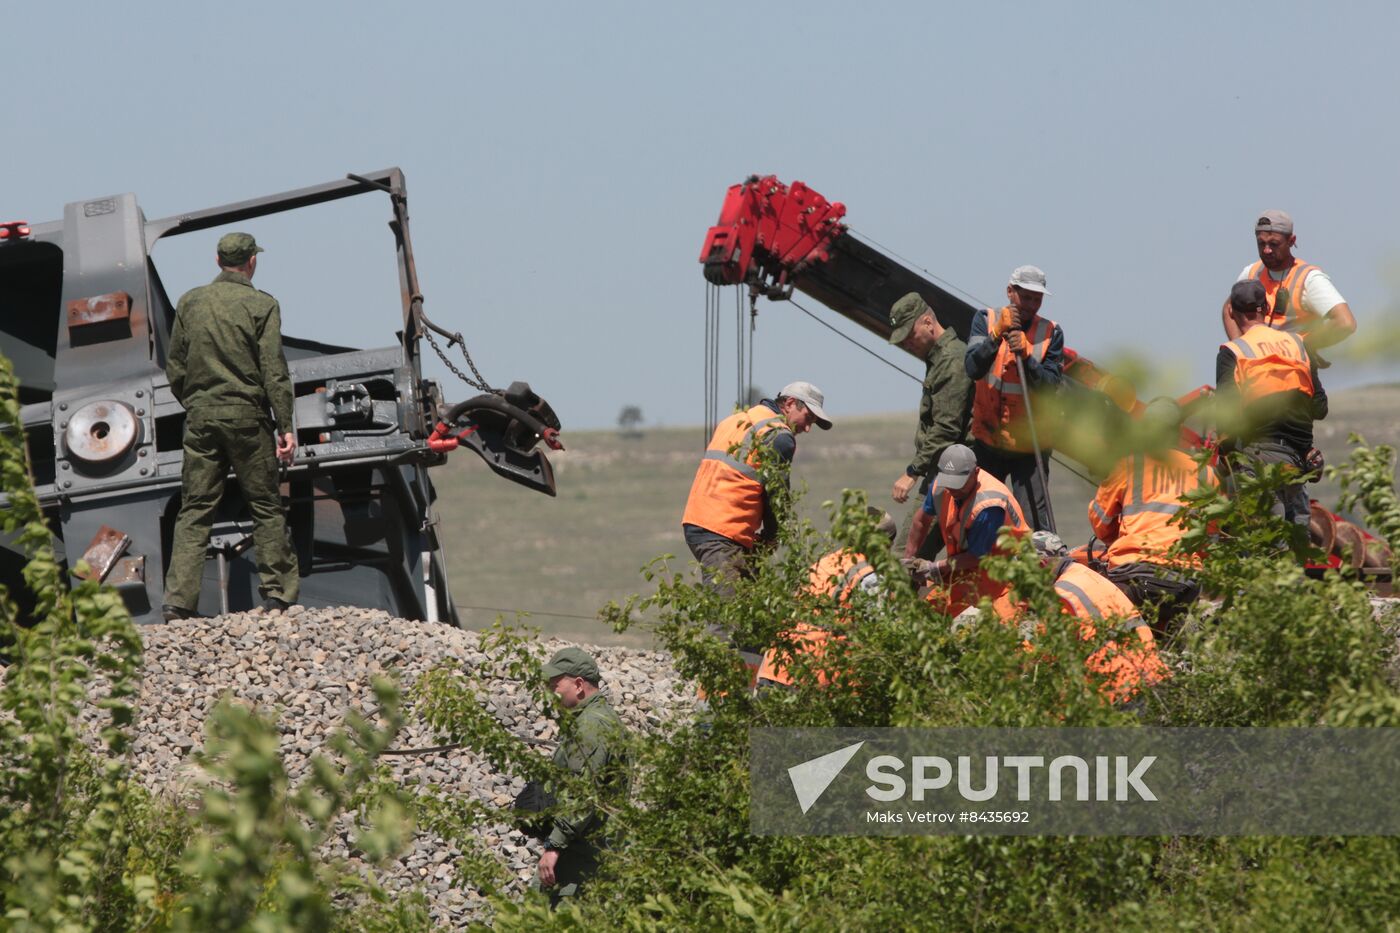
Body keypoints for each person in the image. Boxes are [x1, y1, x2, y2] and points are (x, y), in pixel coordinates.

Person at [162, 233, 298, 621]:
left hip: (202, 419)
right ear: (252, 261)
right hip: (247, 419)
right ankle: (277, 595)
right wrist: (285, 425)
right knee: (266, 506)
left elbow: (176, 367)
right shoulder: (262, 305)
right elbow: (273, 369)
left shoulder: (190, 301)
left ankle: (178, 602)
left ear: (217, 259)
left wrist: (196, 403)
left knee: (195, 508)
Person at [681, 381, 832, 593]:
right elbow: (777, 494)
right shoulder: (779, 435)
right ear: (789, 403)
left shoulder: (735, 420)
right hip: (724, 530)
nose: (807, 428)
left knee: (748, 606)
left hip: (700, 523)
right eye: (808, 418)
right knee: (728, 621)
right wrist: (772, 536)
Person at [1088, 398, 1217, 631]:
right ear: (1178, 431)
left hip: (1133, 572)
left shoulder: (1128, 466)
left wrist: (1114, 539)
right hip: (1185, 580)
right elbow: (1213, 537)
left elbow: (1100, 520)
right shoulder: (1205, 473)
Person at [1217, 279, 1328, 529]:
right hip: (1298, 461)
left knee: (1261, 547)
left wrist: (1224, 456)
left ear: (1232, 313)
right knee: (1293, 551)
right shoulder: (1299, 345)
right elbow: (1320, 408)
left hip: (1258, 460)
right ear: (1266, 308)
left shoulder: (1234, 351)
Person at [1009, 532, 1169, 704]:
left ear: (1041, 565)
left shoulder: (1063, 594)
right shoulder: (1085, 575)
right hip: (1150, 678)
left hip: (1120, 693)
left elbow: (1042, 654)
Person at [964, 265, 1064, 531]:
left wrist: (1027, 358)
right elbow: (972, 367)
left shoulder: (1051, 333)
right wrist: (997, 335)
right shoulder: (985, 320)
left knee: (1033, 522)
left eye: (1037, 298)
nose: (1032, 304)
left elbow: (1050, 385)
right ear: (1010, 292)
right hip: (988, 441)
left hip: (1029, 446)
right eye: (1026, 297)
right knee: (982, 515)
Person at [756, 508, 897, 689]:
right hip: (813, 679)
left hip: (776, 667)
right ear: (885, 544)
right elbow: (886, 635)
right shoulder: (870, 578)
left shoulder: (824, 562)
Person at [534, 647, 630, 908]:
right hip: (588, 851)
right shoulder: (597, 719)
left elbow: (583, 795)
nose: (550, 693)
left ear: (578, 685)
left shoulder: (590, 727)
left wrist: (554, 846)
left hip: (579, 857)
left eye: (555, 685)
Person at [886, 293, 974, 559]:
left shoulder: (950, 359)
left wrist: (912, 472)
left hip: (950, 472)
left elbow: (946, 427)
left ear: (927, 321)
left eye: (909, 335)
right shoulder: (939, 358)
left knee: (907, 557)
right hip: (943, 470)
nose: (907, 344)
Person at [905, 444, 1027, 616]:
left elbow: (976, 556)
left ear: (975, 472)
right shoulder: (941, 485)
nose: (954, 490)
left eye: (959, 484)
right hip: (965, 569)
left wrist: (934, 568)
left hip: (1003, 576)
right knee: (927, 614)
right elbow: (920, 521)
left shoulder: (989, 505)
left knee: (994, 630)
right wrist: (909, 560)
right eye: (950, 483)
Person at [1220, 210, 1356, 357]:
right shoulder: (1251, 273)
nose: (1267, 250)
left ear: (1291, 241)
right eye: (1261, 243)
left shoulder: (1309, 279)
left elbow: (1345, 323)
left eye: (1274, 244)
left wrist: (1302, 348)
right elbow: (1228, 310)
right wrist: (1242, 351)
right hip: (1258, 371)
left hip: (1295, 370)